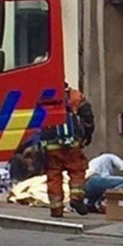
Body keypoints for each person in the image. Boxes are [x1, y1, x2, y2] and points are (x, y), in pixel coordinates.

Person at [40, 83, 94, 217]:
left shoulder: (40, 94)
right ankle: (76, 198)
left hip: (50, 142)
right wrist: (88, 134)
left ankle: (56, 208)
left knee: (53, 174)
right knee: (77, 170)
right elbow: (87, 115)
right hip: (71, 142)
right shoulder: (73, 95)